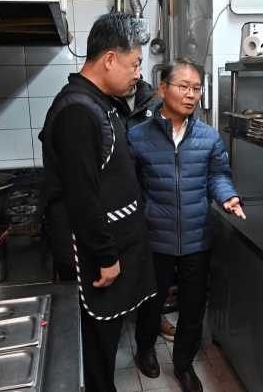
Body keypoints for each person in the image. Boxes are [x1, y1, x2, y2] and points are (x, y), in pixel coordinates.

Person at [39, 12, 156, 392]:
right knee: (95, 351)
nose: (138, 73)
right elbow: (82, 196)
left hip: (113, 245)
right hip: (92, 255)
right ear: (109, 59)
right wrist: (105, 255)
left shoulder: (100, 101)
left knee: (104, 348)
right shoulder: (77, 111)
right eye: (135, 63)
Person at [127, 58, 245, 392]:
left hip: (196, 237)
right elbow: (130, 188)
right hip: (154, 237)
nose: (191, 95)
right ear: (162, 89)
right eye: (183, 86)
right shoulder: (137, 137)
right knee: (152, 299)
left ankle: (183, 364)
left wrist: (227, 196)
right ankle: (146, 348)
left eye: (196, 88)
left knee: (194, 305)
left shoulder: (208, 137)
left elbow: (218, 175)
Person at [112, 76, 178, 342]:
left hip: (150, 202)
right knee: (118, 264)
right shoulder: (103, 99)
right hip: (116, 199)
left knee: (152, 271)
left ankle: (154, 316)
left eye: (139, 63)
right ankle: (115, 321)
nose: (136, 71)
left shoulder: (153, 101)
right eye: (133, 62)